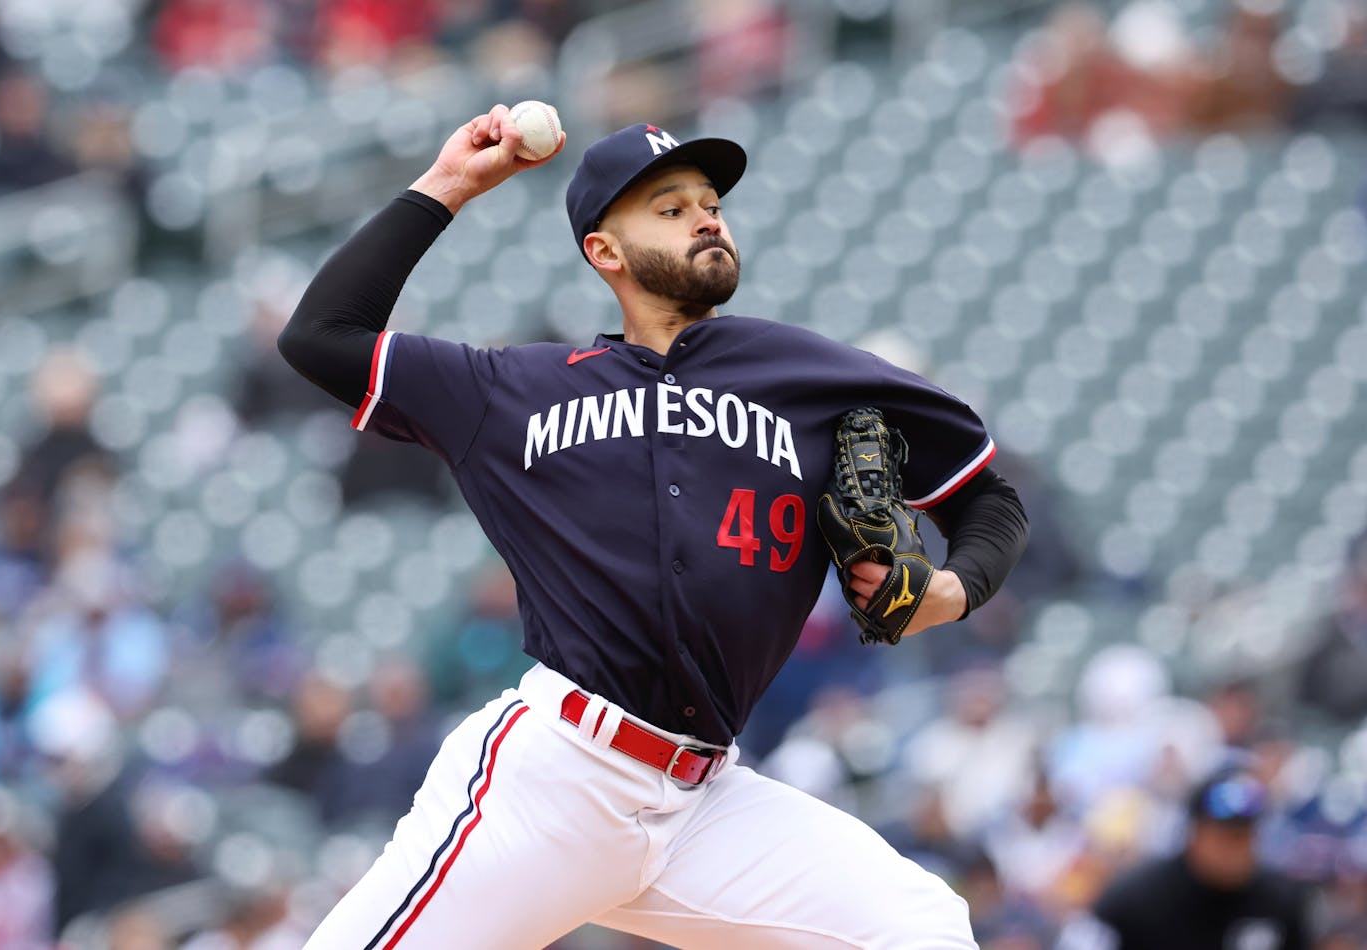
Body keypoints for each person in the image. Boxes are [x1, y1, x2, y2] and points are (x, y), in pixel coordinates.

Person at [279, 103, 1028, 948]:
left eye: (711, 202)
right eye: (670, 209)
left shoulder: (814, 373)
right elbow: (319, 335)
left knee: (922, 929)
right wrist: (450, 184)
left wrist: (953, 590)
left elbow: (989, 497)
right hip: (557, 780)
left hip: (705, 803)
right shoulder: (512, 390)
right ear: (606, 251)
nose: (706, 217)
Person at [1059, 768, 1312, 950]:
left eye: (1246, 836)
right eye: (1226, 837)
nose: (1238, 850)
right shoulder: (1132, 900)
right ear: (1194, 834)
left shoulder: (1280, 901)